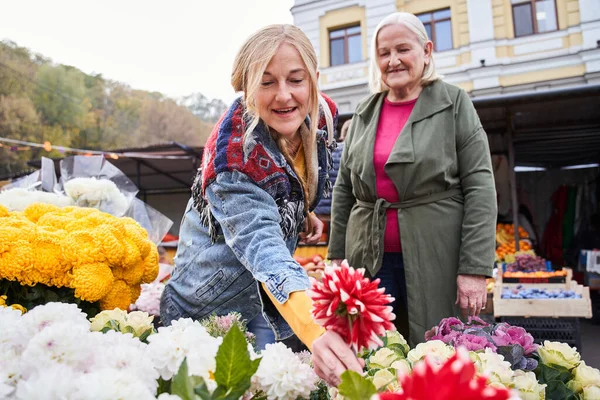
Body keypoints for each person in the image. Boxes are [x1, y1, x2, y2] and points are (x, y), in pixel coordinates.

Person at [160, 24, 362, 386]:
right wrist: (316, 330)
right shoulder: (234, 159)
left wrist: (303, 209)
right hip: (211, 305)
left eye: (295, 79)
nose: (284, 96)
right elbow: (263, 246)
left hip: (271, 297)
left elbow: (295, 173)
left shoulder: (322, 115)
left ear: (314, 80)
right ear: (247, 87)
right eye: (266, 83)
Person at [328, 12, 497, 346]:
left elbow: (480, 186)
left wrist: (475, 268)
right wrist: (336, 256)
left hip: (436, 255)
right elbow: (344, 188)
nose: (393, 61)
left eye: (402, 49)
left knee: (435, 348)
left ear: (427, 50)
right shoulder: (364, 111)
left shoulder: (453, 103)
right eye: (384, 53)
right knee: (374, 350)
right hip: (369, 259)